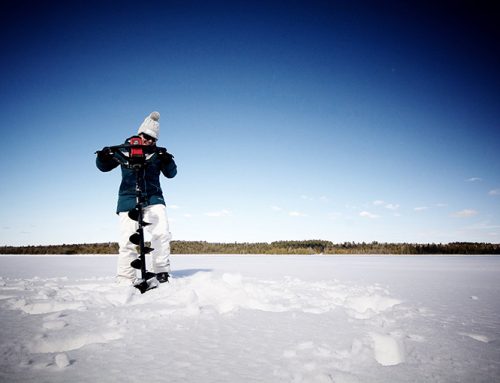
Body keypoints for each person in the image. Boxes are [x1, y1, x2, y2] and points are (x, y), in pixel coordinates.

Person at [95, 111, 177, 286]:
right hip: (128, 198)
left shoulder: (157, 154)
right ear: (139, 134)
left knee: (162, 233)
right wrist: (103, 156)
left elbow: (172, 174)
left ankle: (161, 271)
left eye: (153, 139)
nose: (149, 141)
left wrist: (168, 160)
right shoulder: (125, 151)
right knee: (127, 239)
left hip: (154, 198)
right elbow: (104, 167)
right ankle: (125, 278)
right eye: (146, 137)